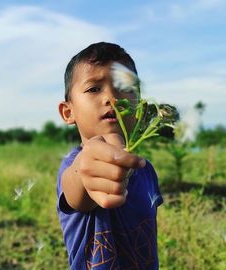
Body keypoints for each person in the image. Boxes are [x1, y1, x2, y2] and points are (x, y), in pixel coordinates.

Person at [56, 42, 163, 269]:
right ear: (68, 112)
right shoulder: (75, 164)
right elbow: (76, 182)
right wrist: (83, 170)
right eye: (94, 89)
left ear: (141, 105)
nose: (112, 97)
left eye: (124, 87)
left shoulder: (147, 170)